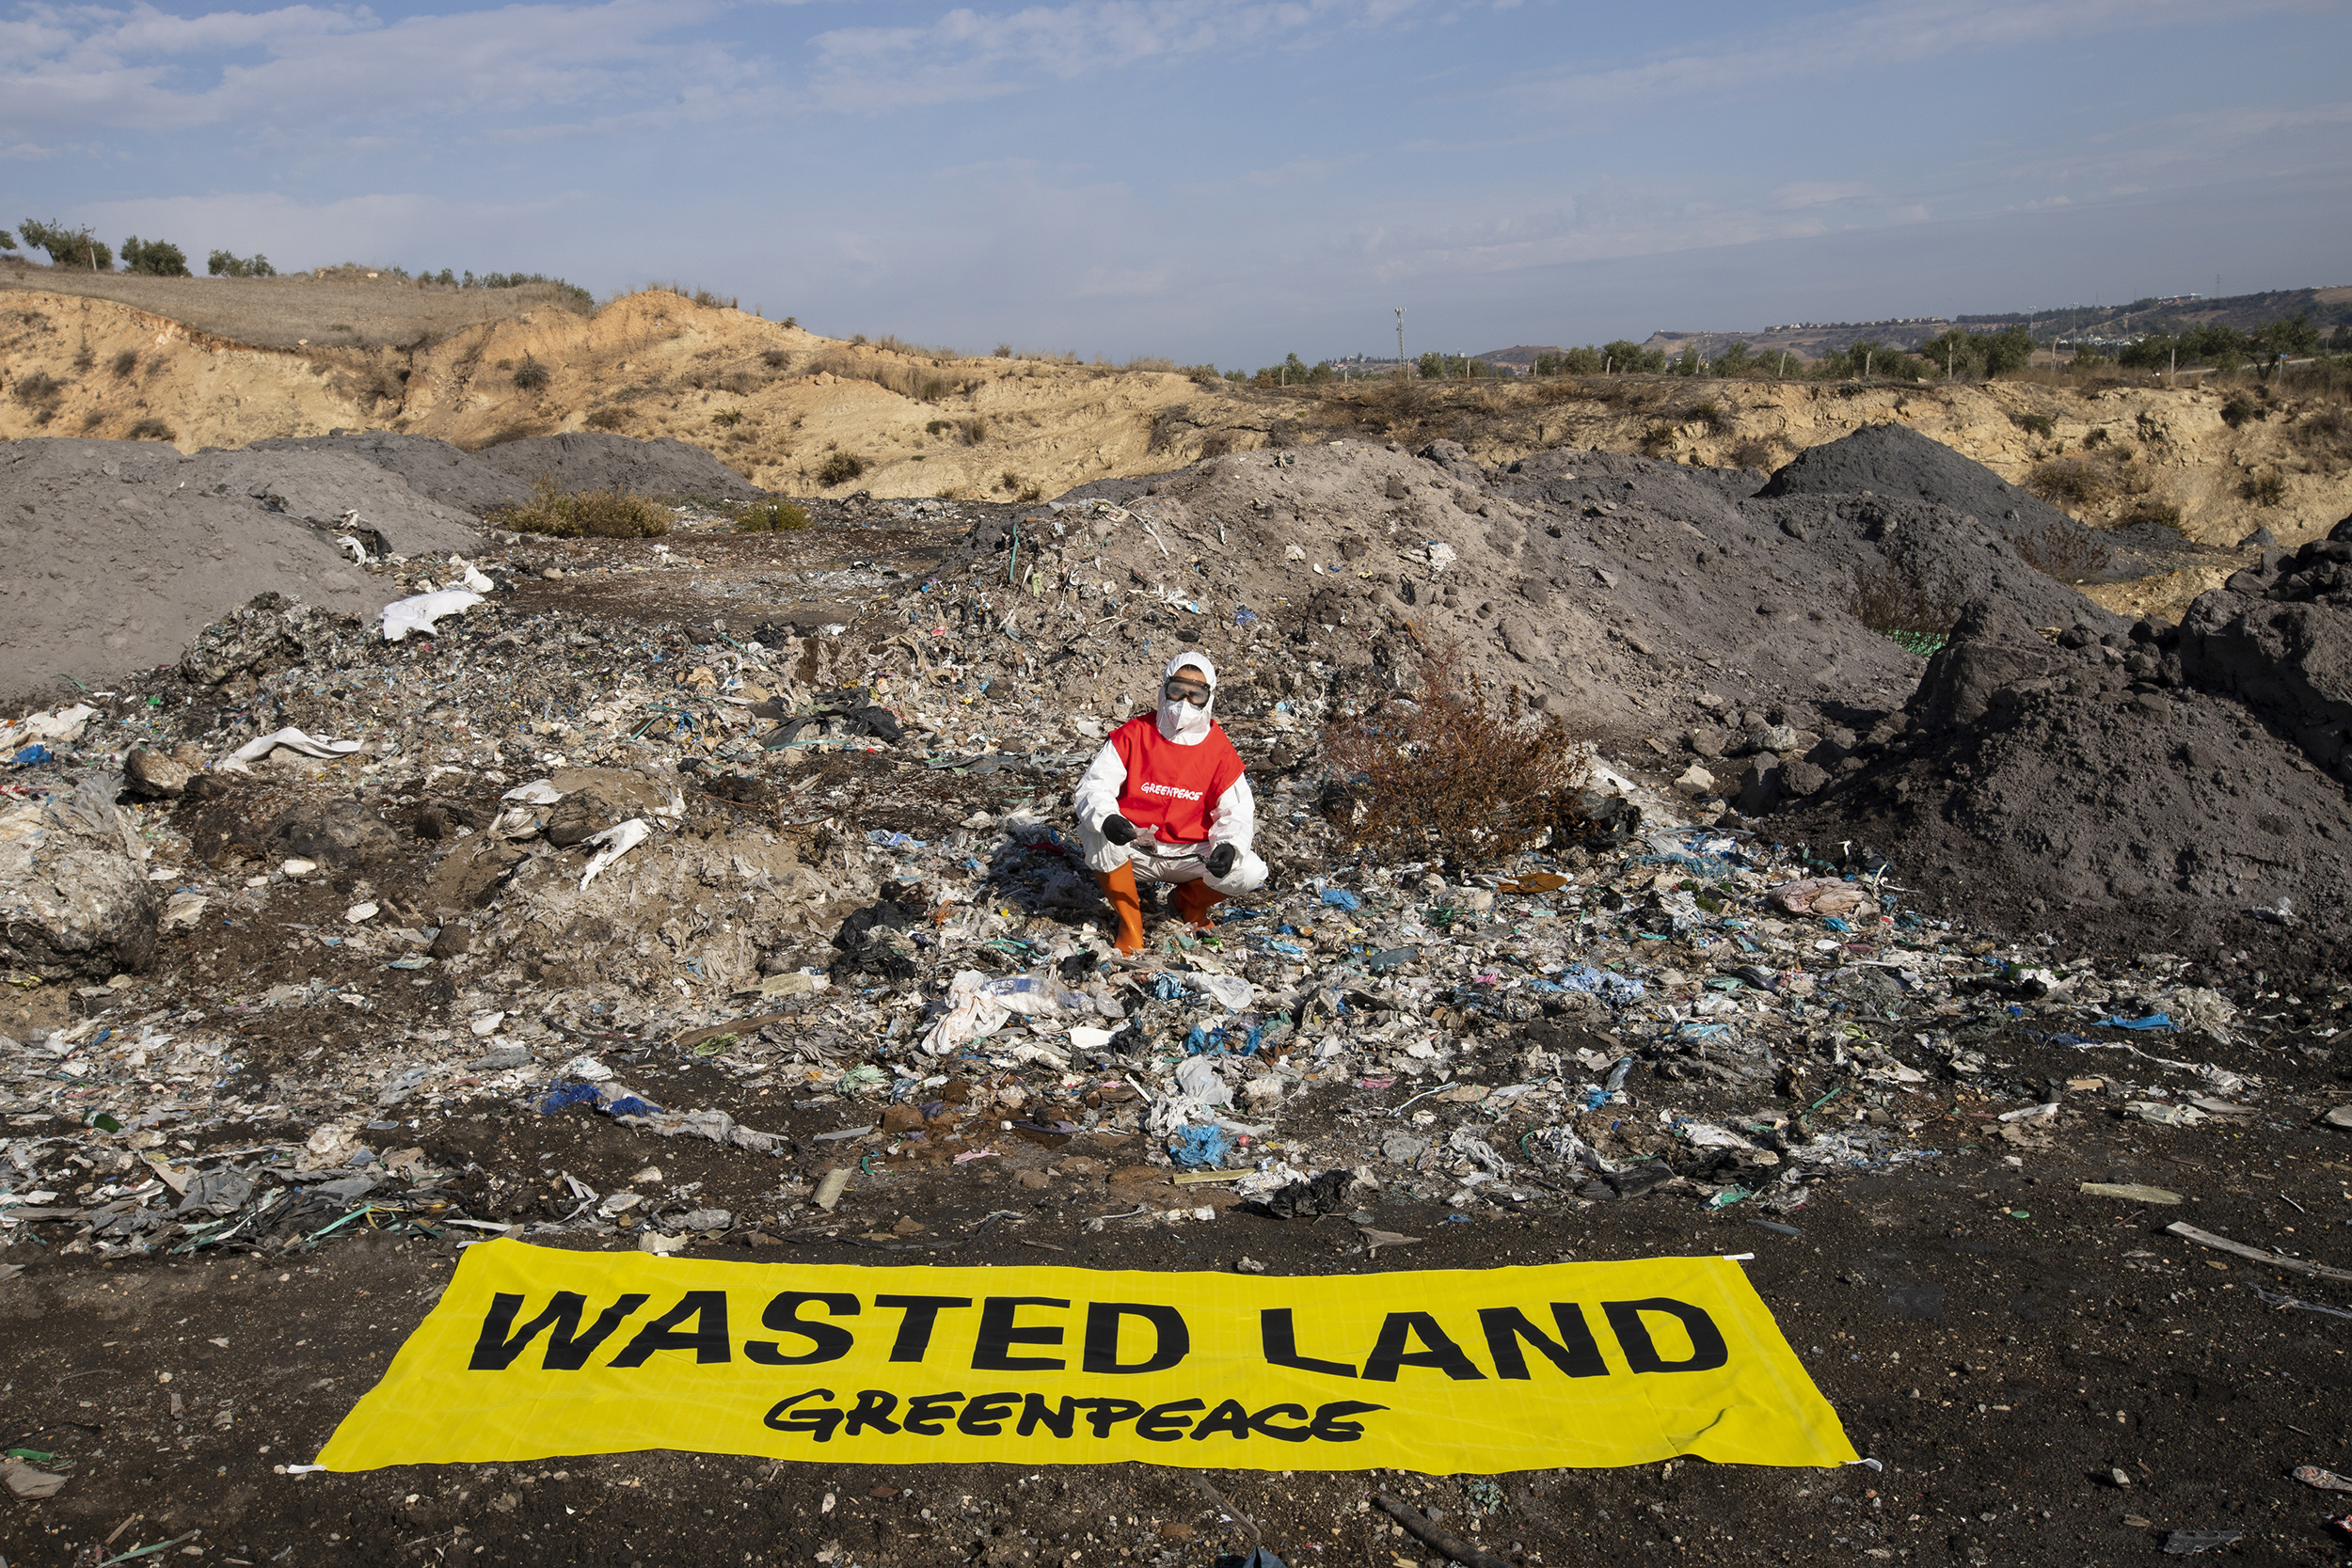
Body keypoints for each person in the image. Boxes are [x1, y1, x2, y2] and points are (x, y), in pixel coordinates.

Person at [1072, 652, 1267, 954]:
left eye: (1196, 694)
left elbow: (1237, 810)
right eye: (1177, 690)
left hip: (1190, 856)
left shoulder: (1219, 750)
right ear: (1164, 689)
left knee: (1250, 870)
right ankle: (1130, 924)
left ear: (1208, 698)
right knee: (1095, 832)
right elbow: (1094, 785)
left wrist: (1229, 846)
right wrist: (1110, 819)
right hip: (1137, 848)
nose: (1184, 703)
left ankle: (1188, 902)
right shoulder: (1134, 734)